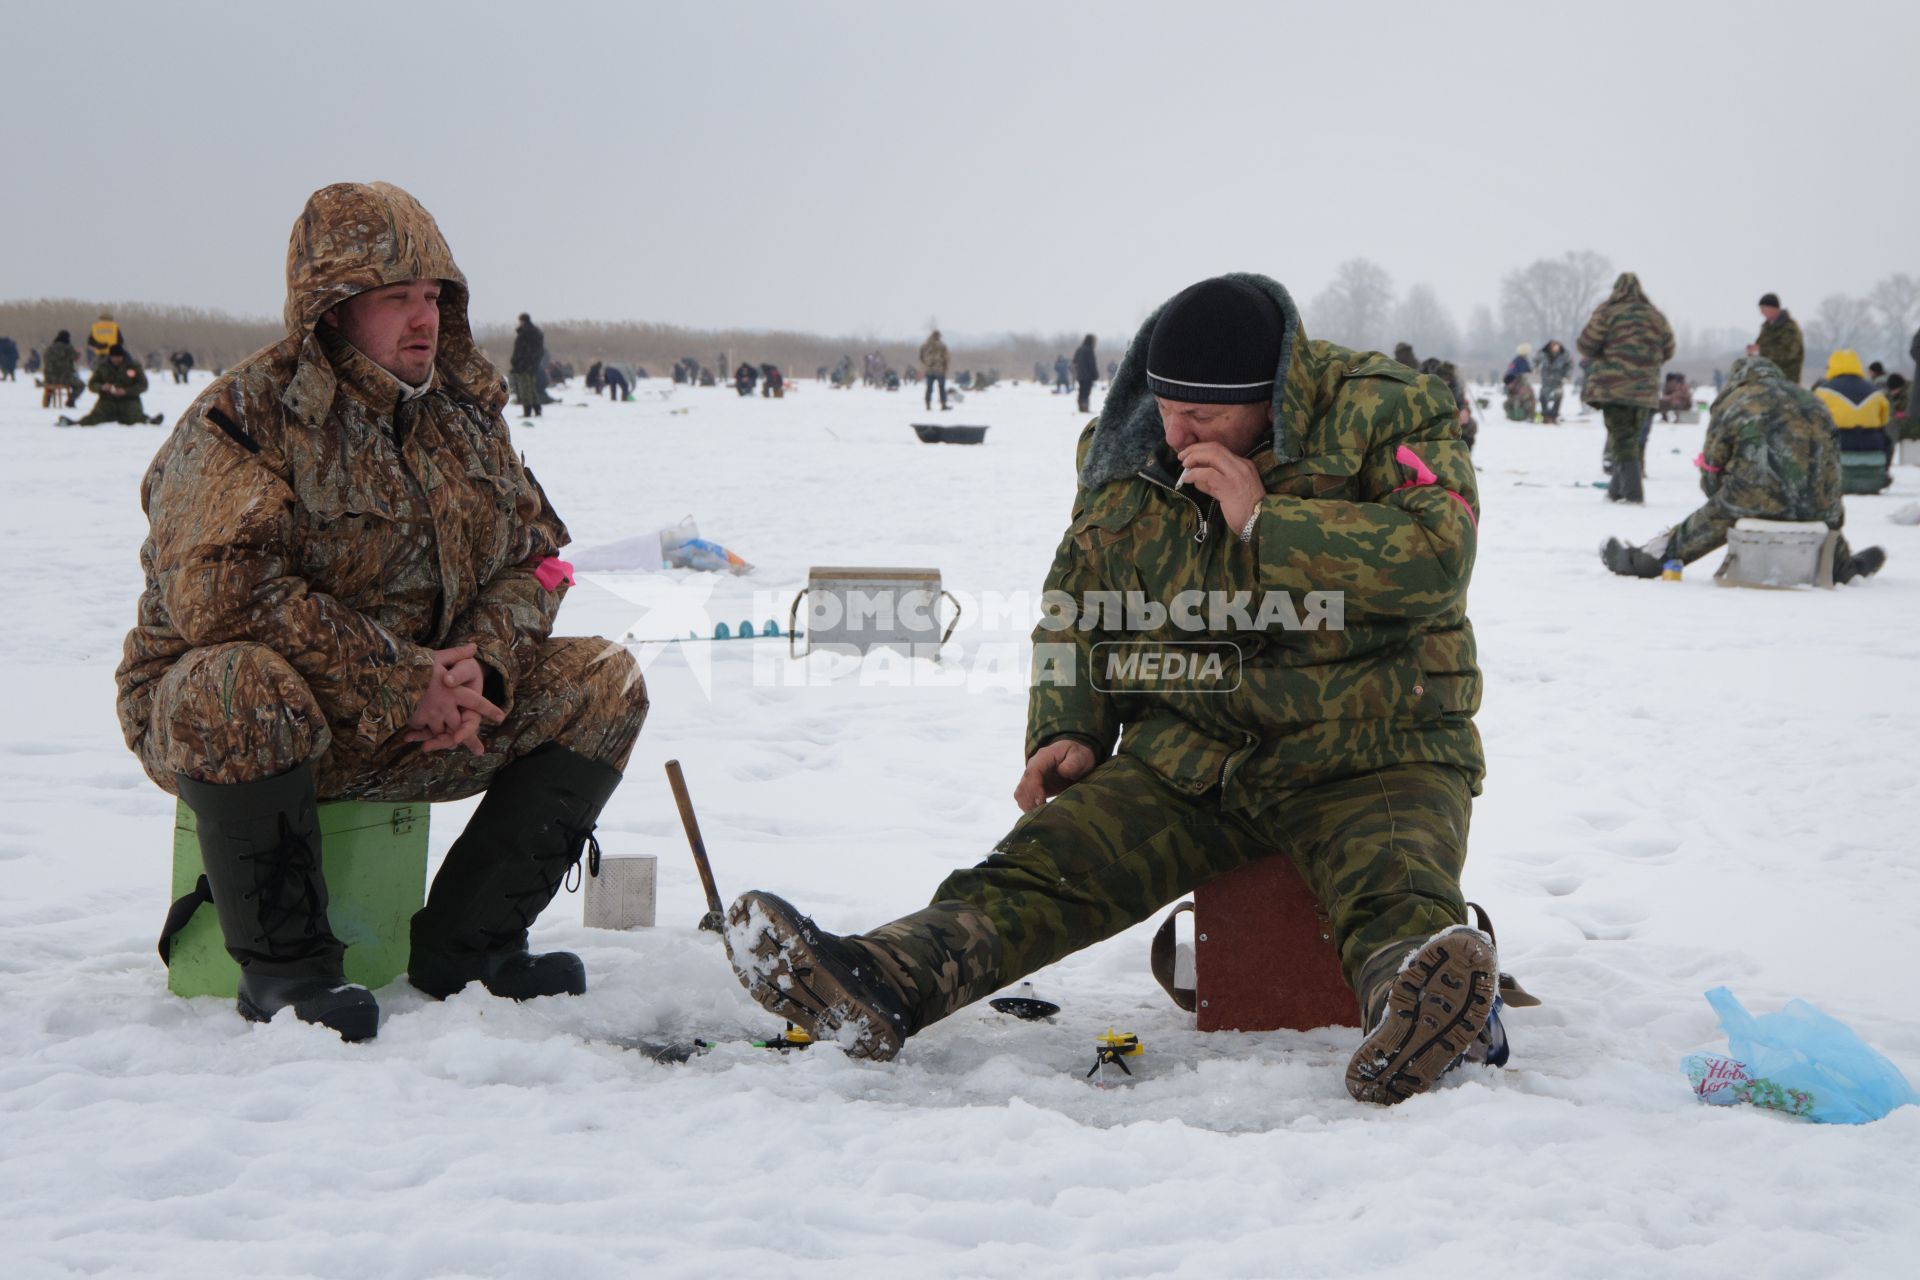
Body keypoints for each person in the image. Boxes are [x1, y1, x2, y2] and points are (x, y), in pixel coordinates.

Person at [723, 273, 1506, 1106]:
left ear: (1267, 398)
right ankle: (880, 979)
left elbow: (1438, 555)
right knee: (1043, 870)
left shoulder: (1386, 412)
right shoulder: (1127, 449)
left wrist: (1263, 521)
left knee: (1395, 883)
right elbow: (1075, 607)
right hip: (1194, 753)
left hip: (1375, 744)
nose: (1177, 430)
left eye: (1203, 416)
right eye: (1168, 405)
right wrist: (1071, 725)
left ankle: (1420, 1016)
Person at [114, 182, 648, 1042]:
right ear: (331, 310)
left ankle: (471, 949)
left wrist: (484, 661)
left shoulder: (463, 419)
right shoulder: (241, 419)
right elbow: (220, 597)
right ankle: (286, 971)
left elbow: (537, 562)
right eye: (395, 298)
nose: (422, 318)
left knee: (604, 679)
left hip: (430, 720)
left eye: (433, 296)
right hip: (250, 726)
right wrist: (403, 680)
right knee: (235, 678)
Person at [1601, 357, 1884, 582]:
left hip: (1751, 500)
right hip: (1821, 506)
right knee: (1823, 510)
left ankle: (1643, 560)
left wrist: (1719, 496)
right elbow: (1833, 465)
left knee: (1714, 517)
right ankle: (1844, 566)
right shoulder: (1815, 401)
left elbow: (1712, 467)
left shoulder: (1734, 401)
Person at [1579, 272, 1674, 504]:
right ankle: (1616, 491)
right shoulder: (1656, 316)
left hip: (1614, 388)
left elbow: (1586, 344)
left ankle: (1632, 492)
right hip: (1645, 390)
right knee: (1629, 438)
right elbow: (1669, 349)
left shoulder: (1607, 312)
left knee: (1621, 439)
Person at [1812, 349, 1894, 494]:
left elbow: (1814, 419)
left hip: (1839, 442)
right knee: (1887, 439)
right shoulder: (1874, 391)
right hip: (1872, 442)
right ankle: (1883, 473)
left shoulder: (1823, 391)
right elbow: (1884, 419)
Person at [68, 344, 162, 426]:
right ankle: (75, 423)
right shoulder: (103, 366)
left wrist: (126, 391)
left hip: (129, 400)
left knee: (134, 417)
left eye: (118, 357)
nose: (115, 360)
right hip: (107, 400)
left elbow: (143, 385)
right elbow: (92, 384)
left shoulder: (133, 366)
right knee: (95, 417)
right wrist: (102, 387)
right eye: (113, 357)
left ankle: (150, 421)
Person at [1746, 293, 1803, 385]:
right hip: (1767, 379)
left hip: (1786, 380)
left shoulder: (1789, 328)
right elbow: (1760, 346)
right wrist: (1753, 352)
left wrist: (1761, 351)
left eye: (1763, 308)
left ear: (1773, 308)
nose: (1761, 313)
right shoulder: (1766, 328)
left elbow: (1789, 354)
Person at [509, 313, 545, 418]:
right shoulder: (536, 332)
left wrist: (517, 362)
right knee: (531, 387)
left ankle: (527, 411)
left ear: (522, 321)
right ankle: (537, 409)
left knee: (525, 388)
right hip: (533, 365)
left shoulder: (525, 332)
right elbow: (539, 351)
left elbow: (520, 350)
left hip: (523, 364)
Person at [1536, 339, 1572, 424]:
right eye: (1553, 346)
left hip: (1558, 379)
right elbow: (1535, 361)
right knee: (1543, 397)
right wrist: (1536, 368)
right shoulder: (1542, 353)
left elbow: (1570, 365)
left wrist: (1567, 376)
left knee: (1558, 397)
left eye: (1557, 346)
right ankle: (1545, 415)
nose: (1555, 348)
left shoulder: (1564, 355)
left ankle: (1554, 416)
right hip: (1546, 379)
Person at [42, 330, 81, 408]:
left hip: (49, 378)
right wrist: (78, 353)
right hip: (65, 378)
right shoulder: (68, 348)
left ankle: (47, 401)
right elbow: (76, 357)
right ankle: (71, 400)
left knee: (50, 386)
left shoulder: (49, 348)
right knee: (81, 385)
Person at [920, 329, 950, 410]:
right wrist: (945, 367)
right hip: (939, 370)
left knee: (929, 387)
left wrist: (926, 364)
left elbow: (921, 357)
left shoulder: (925, 345)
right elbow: (946, 358)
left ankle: (928, 404)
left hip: (929, 369)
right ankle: (943, 405)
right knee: (941, 388)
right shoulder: (942, 345)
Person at [1072, 333, 1099, 413]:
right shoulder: (1089, 350)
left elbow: (1074, 362)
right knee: (1086, 392)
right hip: (1088, 376)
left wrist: (1078, 370)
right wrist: (1095, 374)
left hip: (1080, 375)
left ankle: (1081, 406)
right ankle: (1085, 407)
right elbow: (1092, 364)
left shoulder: (1079, 349)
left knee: (1081, 391)